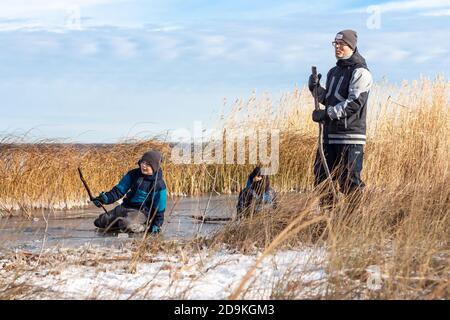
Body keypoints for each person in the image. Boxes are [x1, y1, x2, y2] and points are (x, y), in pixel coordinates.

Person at [308, 29, 373, 207]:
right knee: (322, 180)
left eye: (341, 44)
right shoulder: (333, 72)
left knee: (349, 182)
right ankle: (330, 219)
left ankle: (353, 224)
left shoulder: (361, 73)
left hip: (350, 137)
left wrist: (326, 114)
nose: (337, 47)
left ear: (351, 46)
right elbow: (329, 99)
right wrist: (315, 89)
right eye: (335, 44)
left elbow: (353, 104)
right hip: (329, 137)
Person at [92, 150, 167, 234]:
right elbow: (118, 191)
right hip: (125, 207)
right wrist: (104, 199)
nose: (144, 166)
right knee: (100, 222)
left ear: (155, 166)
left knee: (126, 224)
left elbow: (160, 208)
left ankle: (143, 227)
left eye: (148, 164)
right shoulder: (133, 174)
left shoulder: (159, 185)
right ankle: (119, 224)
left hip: (141, 212)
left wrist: (157, 224)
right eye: (143, 162)